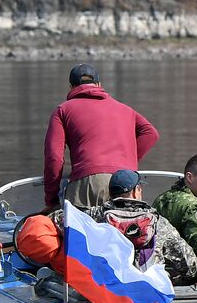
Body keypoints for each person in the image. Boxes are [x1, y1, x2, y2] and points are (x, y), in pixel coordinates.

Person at [44, 63, 158, 211]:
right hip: (126, 184)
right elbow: (151, 134)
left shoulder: (63, 110)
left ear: (71, 87)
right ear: (99, 84)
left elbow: (54, 157)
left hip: (87, 183)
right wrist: (126, 162)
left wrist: (51, 199)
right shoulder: (125, 109)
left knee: (83, 231)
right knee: (126, 229)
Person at [87, 169, 197, 284]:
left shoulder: (93, 217)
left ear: (110, 193)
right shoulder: (157, 221)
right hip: (148, 291)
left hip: (106, 289)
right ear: (136, 191)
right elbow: (190, 266)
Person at [153, 153, 197, 262]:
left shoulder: (161, 198)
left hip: (159, 267)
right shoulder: (194, 206)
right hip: (186, 271)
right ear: (190, 177)